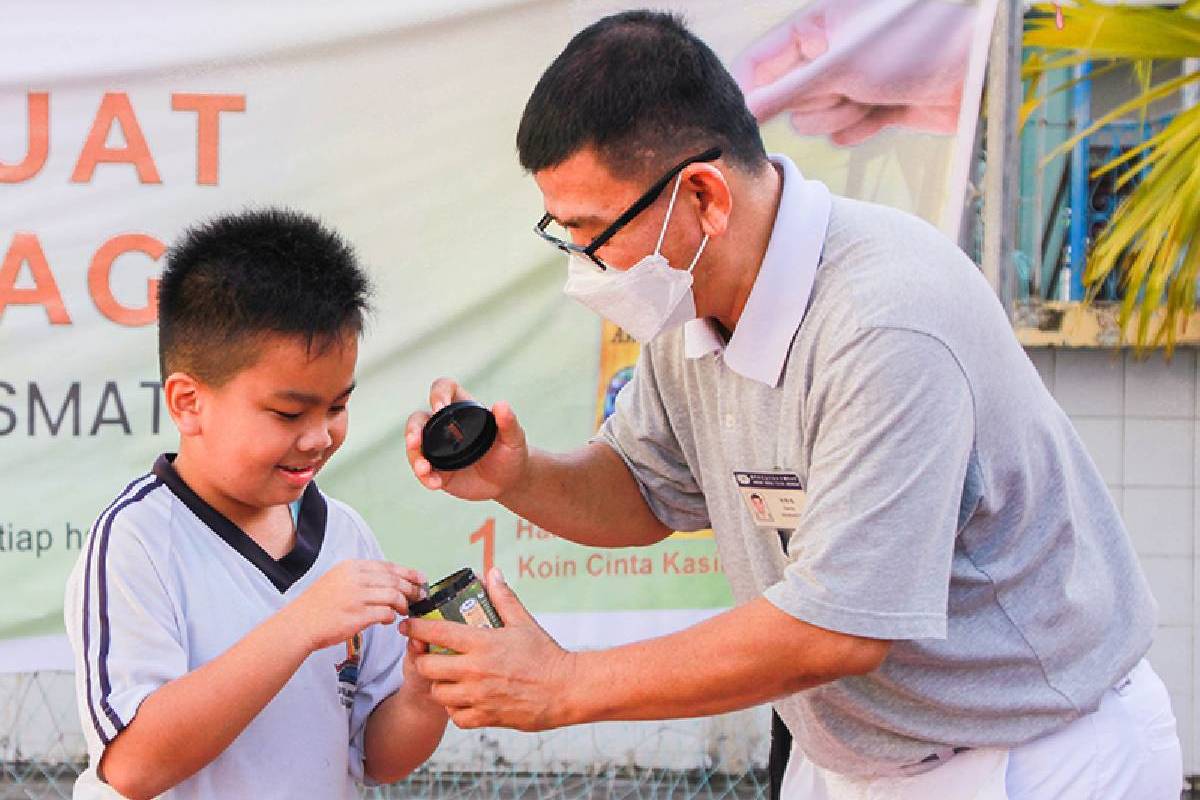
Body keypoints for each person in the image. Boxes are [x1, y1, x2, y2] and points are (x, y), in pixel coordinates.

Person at [402, 10, 1183, 799]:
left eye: (594, 233)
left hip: (1030, 756)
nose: (588, 266)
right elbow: (645, 491)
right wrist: (518, 474)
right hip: (855, 755)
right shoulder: (688, 303)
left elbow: (837, 629)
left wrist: (564, 686)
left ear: (702, 198)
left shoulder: (885, 321)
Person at [64, 208, 447, 799]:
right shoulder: (136, 540)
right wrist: (299, 624)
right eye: (289, 413)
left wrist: (425, 691)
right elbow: (134, 766)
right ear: (189, 402)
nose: (319, 436)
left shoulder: (343, 534)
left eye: (337, 407)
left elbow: (379, 758)